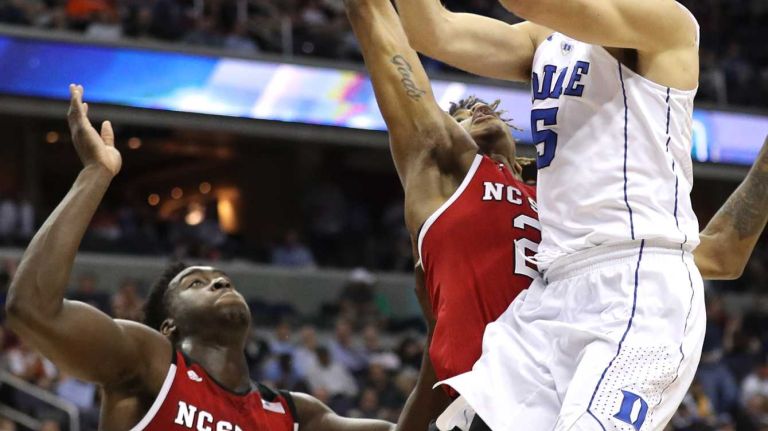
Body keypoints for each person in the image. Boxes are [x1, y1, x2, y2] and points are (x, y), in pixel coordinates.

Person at [392, 0, 729, 429]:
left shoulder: (666, 22)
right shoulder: (542, 38)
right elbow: (432, 31)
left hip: (636, 283)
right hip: (554, 289)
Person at [4, 85, 408, 431]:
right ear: (168, 326)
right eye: (196, 283)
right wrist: (96, 173)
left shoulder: (294, 414)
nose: (219, 282)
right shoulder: (152, 364)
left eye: (223, 279)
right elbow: (33, 310)